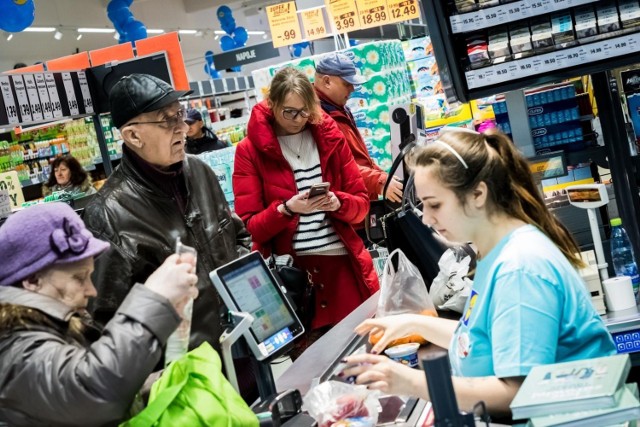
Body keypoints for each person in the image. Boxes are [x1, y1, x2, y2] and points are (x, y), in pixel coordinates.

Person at [342, 128, 616, 417]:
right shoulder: (494, 252)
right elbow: (478, 338)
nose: (426, 218)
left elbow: (519, 392)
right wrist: (412, 324)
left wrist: (410, 382)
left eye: (435, 204)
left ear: (477, 195)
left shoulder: (519, 268)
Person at [83, 74, 251, 366]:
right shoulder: (108, 214)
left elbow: (237, 237)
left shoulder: (200, 172)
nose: (182, 127)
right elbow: (106, 322)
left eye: (181, 114)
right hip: (184, 377)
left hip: (243, 347)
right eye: (166, 119)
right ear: (133, 136)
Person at [0, 203, 198, 426]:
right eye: (79, 277)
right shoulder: (12, 344)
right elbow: (88, 391)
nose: (92, 291)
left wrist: (163, 383)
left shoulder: (49, 326)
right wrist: (155, 298)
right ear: (33, 280)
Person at [233, 67, 379, 337]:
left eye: (306, 111)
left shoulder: (328, 135)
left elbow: (361, 207)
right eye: (290, 112)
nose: (299, 119)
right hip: (295, 279)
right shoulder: (249, 152)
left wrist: (338, 202)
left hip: (345, 270)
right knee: (312, 373)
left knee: (366, 360)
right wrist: (286, 209)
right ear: (272, 104)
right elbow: (249, 227)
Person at [313, 52, 403, 205]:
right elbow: (338, 166)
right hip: (346, 207)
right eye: (347, 84)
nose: (352, 89)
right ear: (327, 81)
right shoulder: (316, 117)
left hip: (359, 202)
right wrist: (378, 180)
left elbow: (358, 157)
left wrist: (382, 176)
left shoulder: (339, 109)